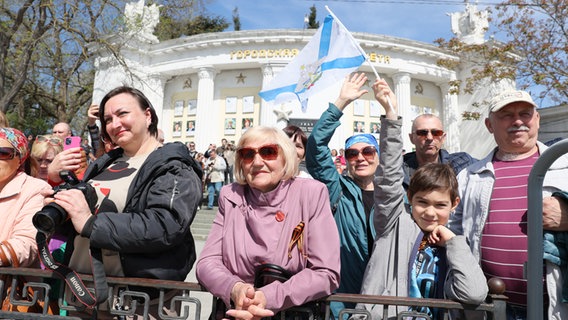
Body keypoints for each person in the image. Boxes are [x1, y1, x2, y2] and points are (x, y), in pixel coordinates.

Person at [44, 86, 202, 318]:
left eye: (122, 114)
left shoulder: (174, 165)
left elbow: (166, 224)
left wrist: (90, 223)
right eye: (107, 119)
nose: (114, 124)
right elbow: (82, 220)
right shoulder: (104, 163)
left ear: (148, 115)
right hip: (84, 294)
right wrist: (61, 202)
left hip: (137, 301)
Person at [357, 79, 488, 319]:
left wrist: (452, 242)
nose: (429, 212)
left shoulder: (455, 237)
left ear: (453, 204)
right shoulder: (394, 223)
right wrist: (391, 115)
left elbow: (474, 294)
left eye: (440, 205)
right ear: (409, 197)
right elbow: (388, 177)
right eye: (422, 203)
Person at [196, 126, 340, 319]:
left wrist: (269, 297)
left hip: (291, 313)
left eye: (268, 152)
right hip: (236, 314)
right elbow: (206, 262)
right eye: (247, 154)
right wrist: (235, 288)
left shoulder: (311, 193)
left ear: (286, 157)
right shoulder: (230, 195)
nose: (257, 162)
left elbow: (325, 272)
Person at [448, 89, 568, 319]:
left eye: (526, 113)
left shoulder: (564, 164)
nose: (518, 121)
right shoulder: (469, 176)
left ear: (538, 119)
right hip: (491, 309)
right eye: (506, 115)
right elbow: (454, 232)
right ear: (489, 125)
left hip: (553, 308)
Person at [305, 73, 378, 316]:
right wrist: (341, 103)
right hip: (343, 296)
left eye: (368, 151)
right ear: (345, 160)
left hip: (384, 293)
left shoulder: (395, 195)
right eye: (352, 154)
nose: (360, 158)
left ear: (378, 156)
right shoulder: (337, 189)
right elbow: (316, 146)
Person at [0, 128, 50, 268]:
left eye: (2, 153)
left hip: (10, 286)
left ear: (20, 159)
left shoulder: (36, 189)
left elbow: (27, 245)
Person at [403, 114, 476, 188]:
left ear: (443, 138)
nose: (430, 138)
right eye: (422, 133)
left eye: (436, 133)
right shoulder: (399, 170)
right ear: (412, 138)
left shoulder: (463, 163)